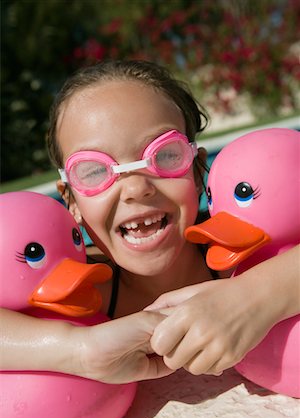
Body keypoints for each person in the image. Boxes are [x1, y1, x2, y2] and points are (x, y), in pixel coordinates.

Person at [1, 60, 299, 383]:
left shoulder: (246, 258)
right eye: (95, 171)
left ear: (197, 172)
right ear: (71, 200)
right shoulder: (83, 296)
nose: (135, 189)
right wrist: (79, 350)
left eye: (164, 155)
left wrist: (254, 297)